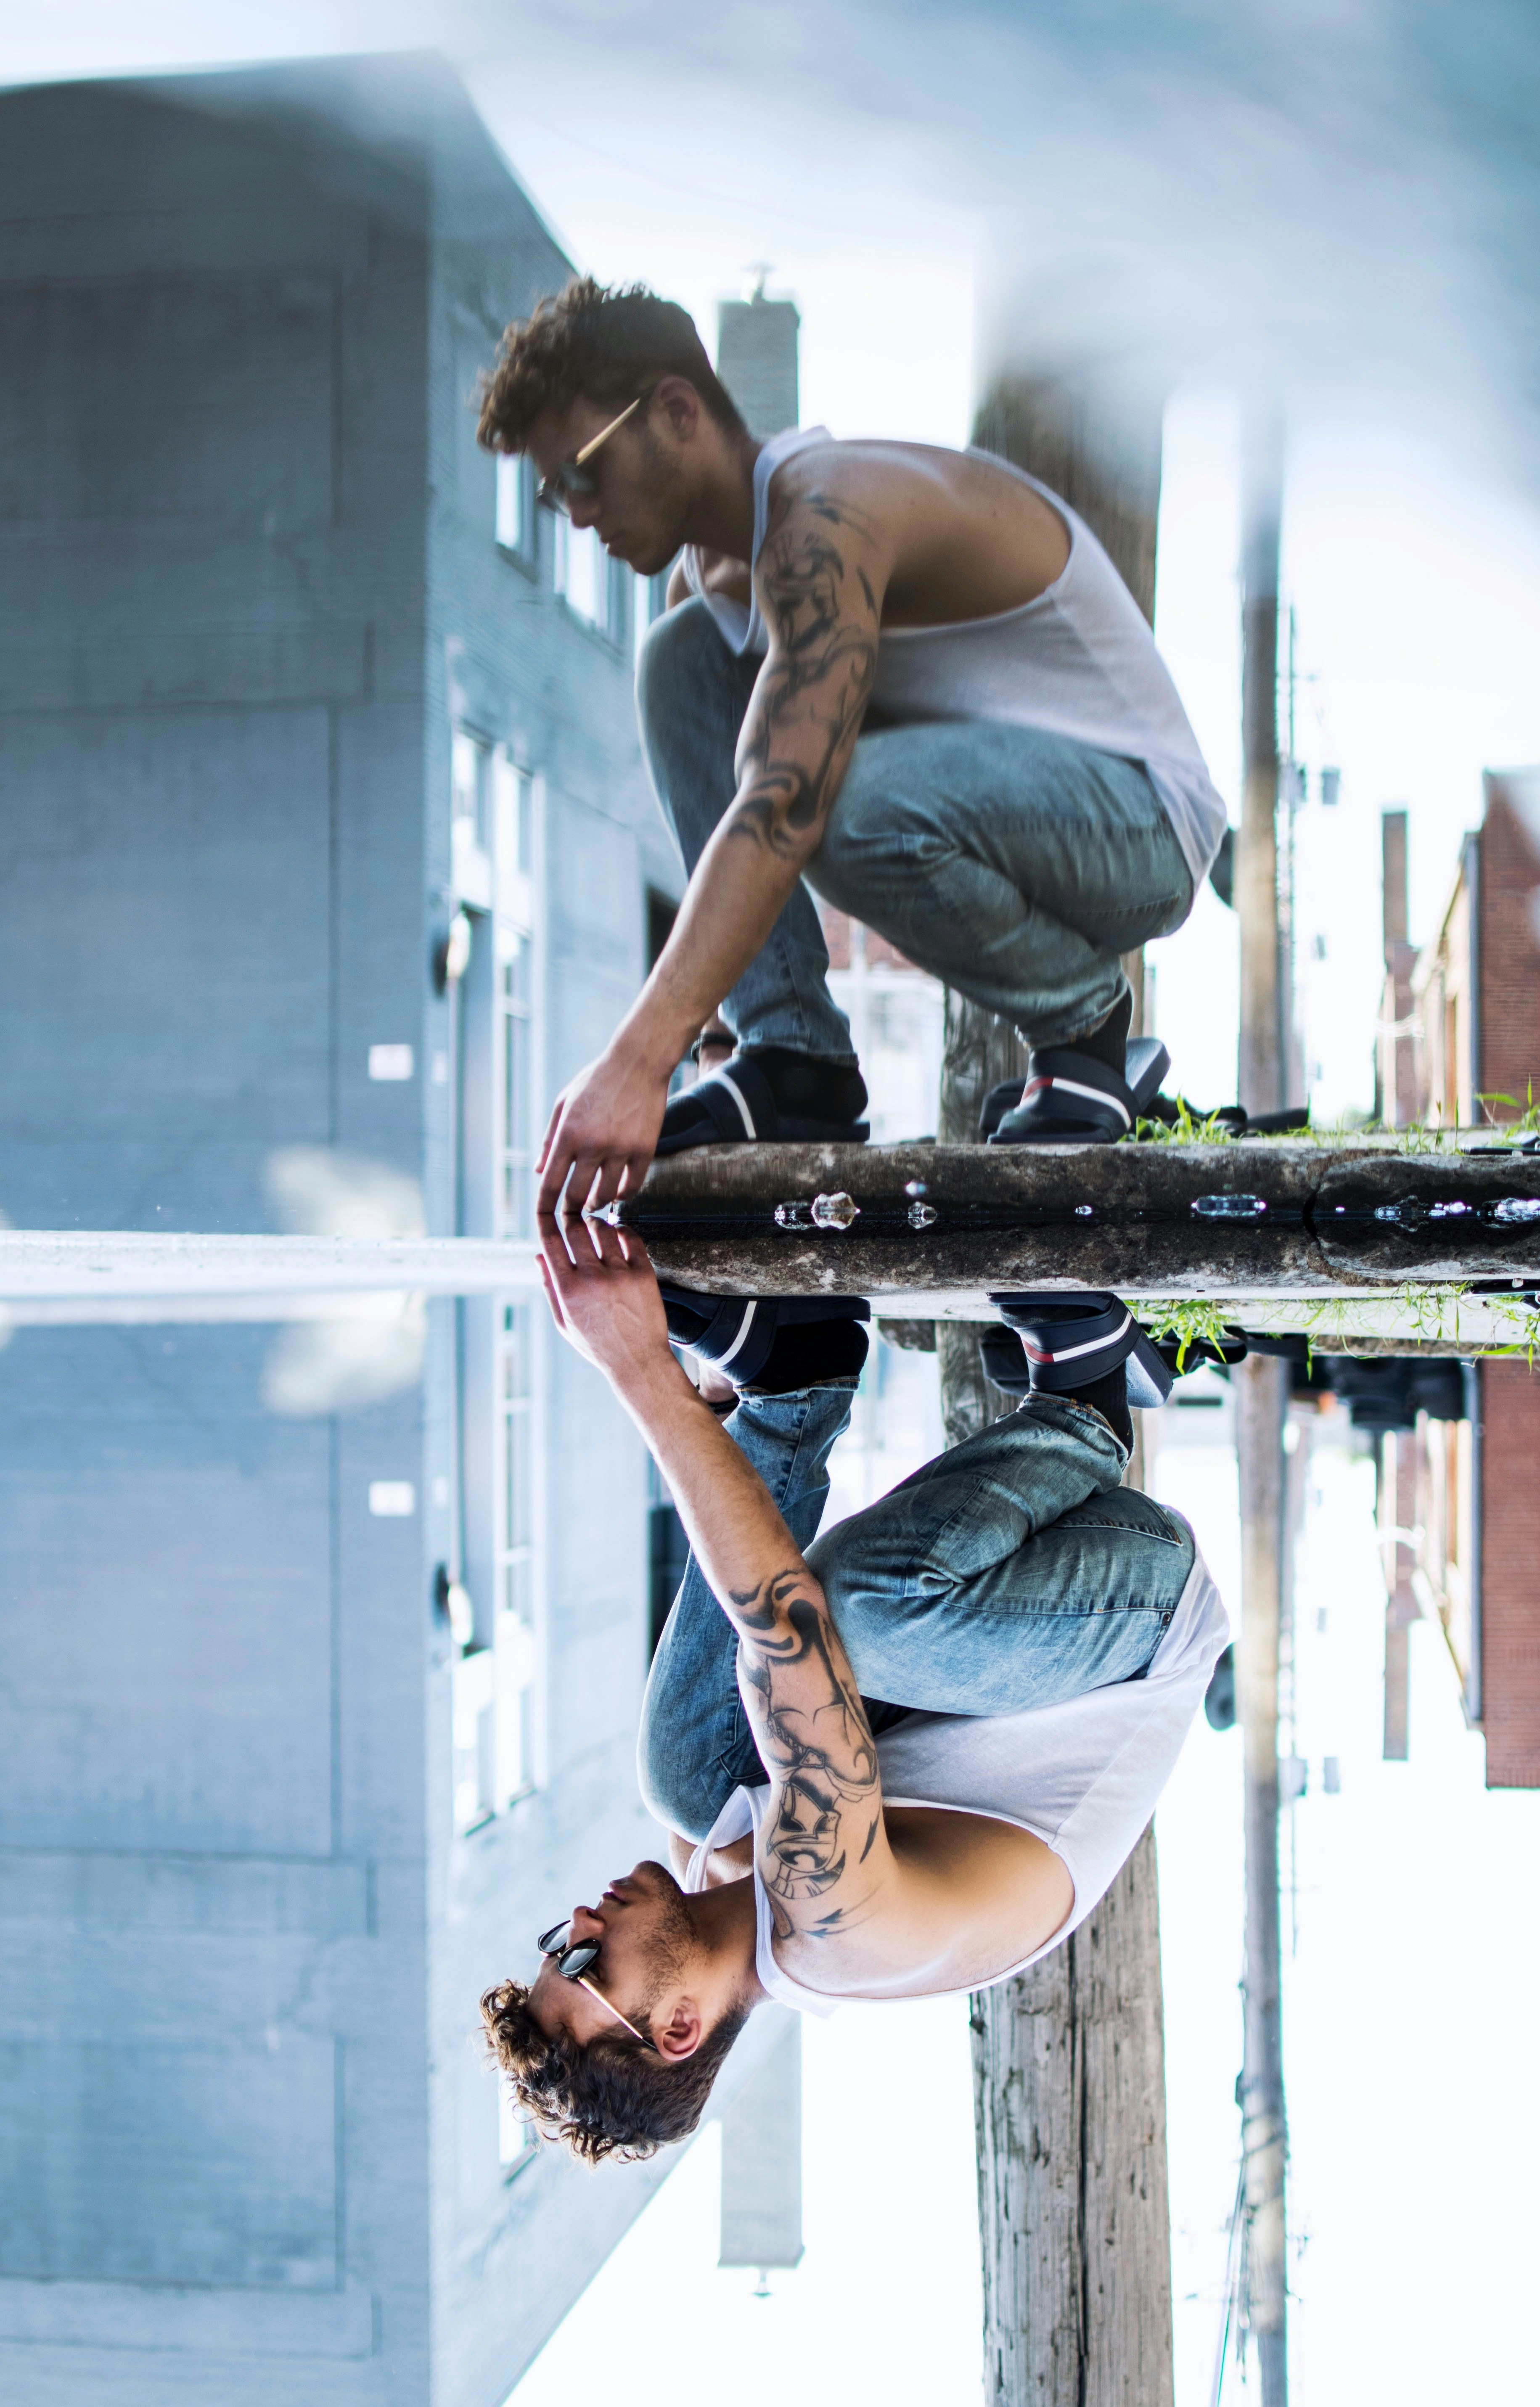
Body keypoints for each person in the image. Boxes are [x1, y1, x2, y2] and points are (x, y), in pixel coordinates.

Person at [480, 1222, 1228, 2166]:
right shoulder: (834, 1929)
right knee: (838, 1625)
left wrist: (705, 1389)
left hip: (1010, 1647)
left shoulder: (720, 1861)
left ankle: (795, 1377)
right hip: (1135, 1615)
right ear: (675, 2029)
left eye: (557, 1941)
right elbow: (787, 1625)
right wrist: (636, 1367)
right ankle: (1088, 1400)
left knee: (684, 1777)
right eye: (586, 1965)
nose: (580, 1923)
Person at [476, 278, 1227, 1210]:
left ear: (674, 410)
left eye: (582, 473)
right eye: (554, 495)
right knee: (680, 657)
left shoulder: (825, 519)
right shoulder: (712, 585)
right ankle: (794, 1062)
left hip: (1142, 826)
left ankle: (1087, 1030)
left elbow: (781, 807)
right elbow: (735, 812)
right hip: (1010, 809)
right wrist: (719, 1046)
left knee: (834, 801)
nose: (577, 512)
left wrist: (637, 1062)